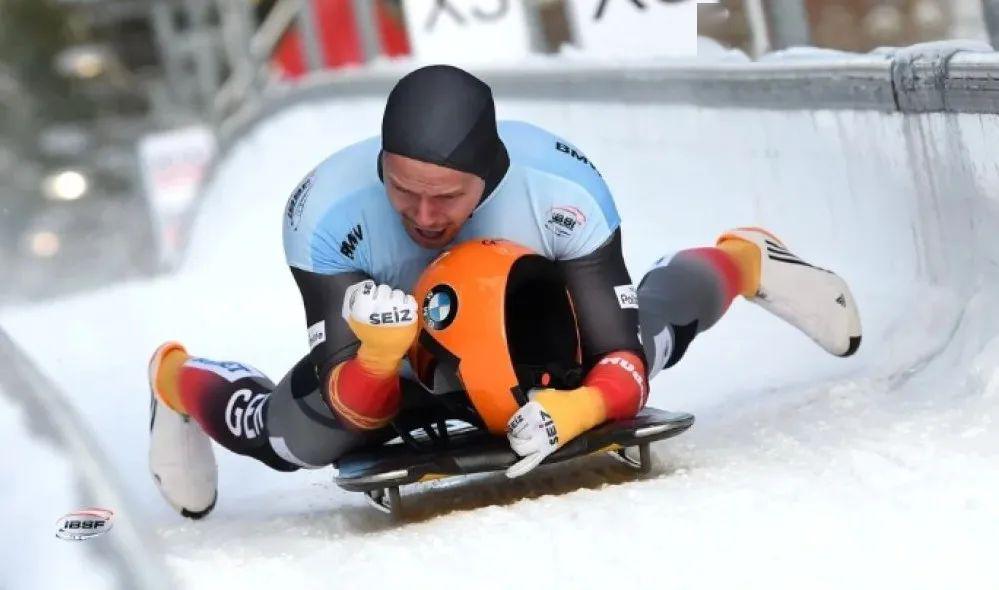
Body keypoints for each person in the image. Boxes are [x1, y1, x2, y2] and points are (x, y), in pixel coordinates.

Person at [147, 65, 861, 518]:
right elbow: (344, 389)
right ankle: (176, 380)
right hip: (402, 353)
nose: (424, 217)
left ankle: (743, 259)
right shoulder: (327, 209)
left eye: (448, 197)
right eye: (402, 190)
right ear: (380, 169)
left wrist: (582, 403)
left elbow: (621, 363)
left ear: (489, 176)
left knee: (645, 336)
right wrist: (376, 357)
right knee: (301, 438)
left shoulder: (561, 189)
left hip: (527, 318)